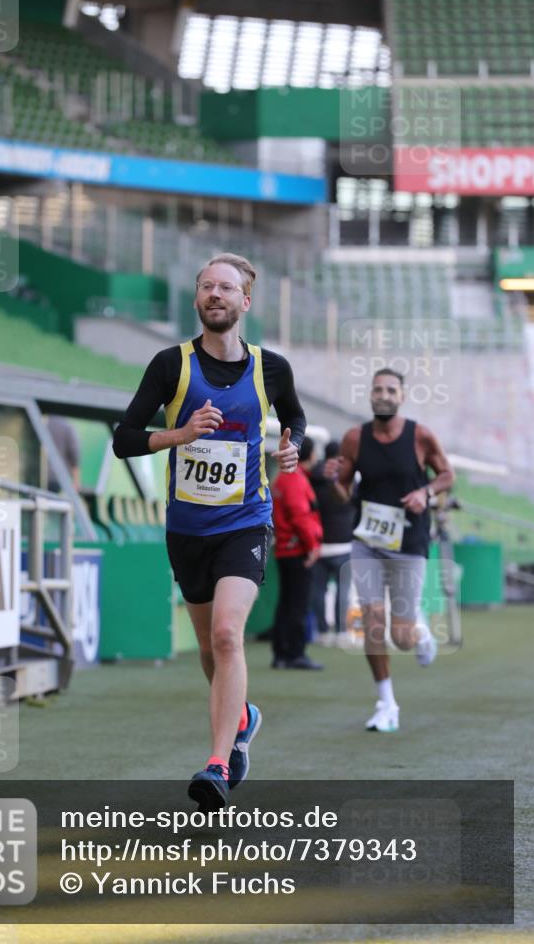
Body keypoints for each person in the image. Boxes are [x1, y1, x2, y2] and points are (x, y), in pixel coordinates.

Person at [113, 252, 306, 810]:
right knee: (207, 646)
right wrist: (178, 435)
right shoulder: (169, 365)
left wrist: (295, 446)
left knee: (227, 635)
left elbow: (296, 418)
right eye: (205, 287)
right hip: (188, 528)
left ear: (246, 301)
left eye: (226, 287)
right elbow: (124, 438)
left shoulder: (272, 368)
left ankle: (218, 764)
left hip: (246, 520)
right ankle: (244, 717)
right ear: (197, 300)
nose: (215, 294)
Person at [324, 368, 454, 733]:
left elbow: (447, 475)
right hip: (367, 541)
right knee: (372, 622)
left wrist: (425, 493)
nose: (383, 395)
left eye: (390, 390)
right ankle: (387, 703)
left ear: (401, 396)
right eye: (377, 389)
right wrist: (335, 478)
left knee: (400, 633)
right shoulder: (355, 438)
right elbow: (345, 492)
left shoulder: (420, 436)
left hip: (409, 542)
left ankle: (420, 632)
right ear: (370, 395)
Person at [271, 436, 324, 670]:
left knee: (288, 602)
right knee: (297, 604)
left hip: (286, 549)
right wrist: (312, 546)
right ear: (311, 455)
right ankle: (294, 653)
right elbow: (301, 516)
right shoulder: (294, 479)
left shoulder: (283, 478)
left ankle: (283, 653)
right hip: (296, 550)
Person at [308, 439, 355, 646]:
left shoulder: (311, 478)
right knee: (343, 591)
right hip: (344, 544)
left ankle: (322, 631)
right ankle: (341, 632)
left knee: (319, 590)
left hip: (318, 544)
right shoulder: (347, 479)